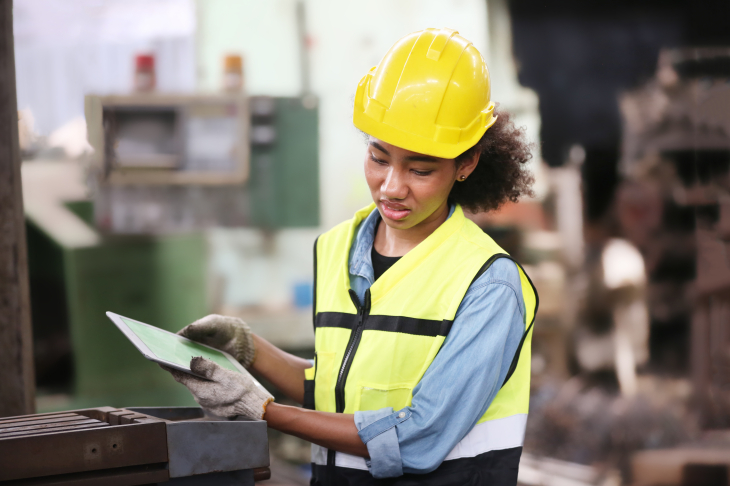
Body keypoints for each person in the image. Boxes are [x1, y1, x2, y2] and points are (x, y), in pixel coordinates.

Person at [164, 28, 537, 485]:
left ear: (467, 163)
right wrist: (248, 348)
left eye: (420, 169)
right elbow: (340, 388)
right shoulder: (338, 248)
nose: (392, 187)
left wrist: (265, 411)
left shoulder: (488, 283)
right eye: (379, 158)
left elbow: (416, 436)